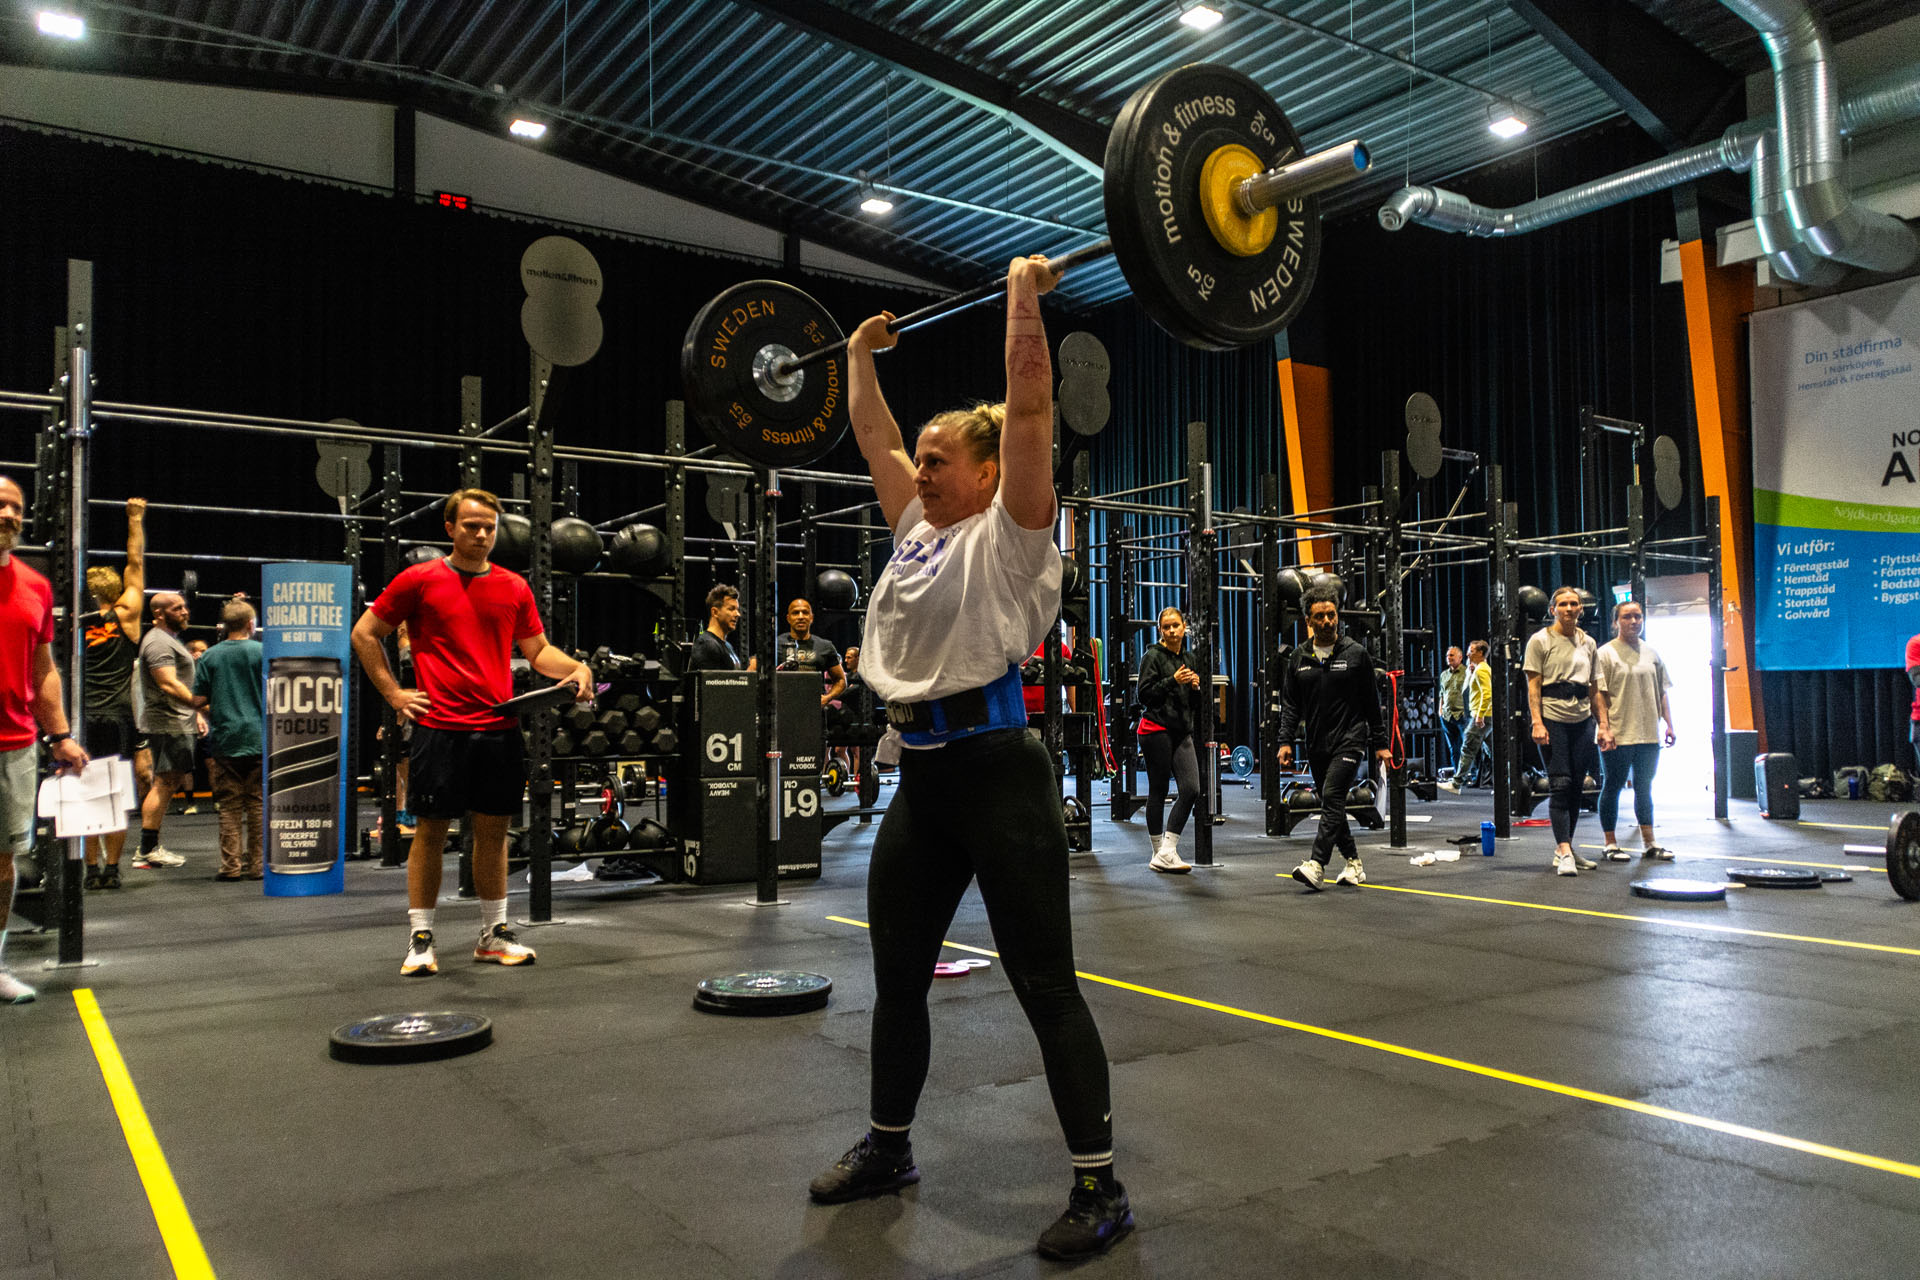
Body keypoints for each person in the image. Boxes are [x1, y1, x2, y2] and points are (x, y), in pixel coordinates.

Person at [808, 257, 1130, 1261]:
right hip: (924, 779)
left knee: (1045, 985)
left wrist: (1022, 294)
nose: (922, 469)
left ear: (988, 473)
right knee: (897, 976)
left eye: (941, 458)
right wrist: (858, 355)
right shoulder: (916, 528)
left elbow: (1029, 403)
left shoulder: (1015, 533)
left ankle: (1100, 1186)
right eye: (925, 458)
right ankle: (890, 1145)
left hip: (999, 775)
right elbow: (874, 434)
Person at [351, 488, 593, 977]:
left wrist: (576, 668)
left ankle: (493, 934)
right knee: (431, 832)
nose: (482, 535)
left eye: (489, 527)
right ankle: (421, 938)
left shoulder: (513, 586)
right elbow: (364, 633)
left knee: (494, 833)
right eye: (471, 526)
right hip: (440, 728)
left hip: (497, 727)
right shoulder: (419, 580)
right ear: (450, 528)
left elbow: (538, 651)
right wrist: (394, 694)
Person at [0, 475, 90, 1004]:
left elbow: (44, 670)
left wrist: (60, 735)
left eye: (16, 507)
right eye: (0, 505)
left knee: (2, 862)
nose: (9, 514)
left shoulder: (35, 586)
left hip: (12, 743)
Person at [1276, 586, 1390, 890]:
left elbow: (1371, 702)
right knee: (1332, 801)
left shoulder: (1355, 654)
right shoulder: (1299, 657)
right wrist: (1285, 741)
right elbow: (1291, 705)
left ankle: (1317, 864)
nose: (1327, 621)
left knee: (1332, 794)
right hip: (1317, 742)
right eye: (1320, 617)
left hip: (1351, 738)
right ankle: (1354, 863)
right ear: (1308, 621)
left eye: (1331, 615)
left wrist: (1380, 744)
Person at [81, 496, 149, 890]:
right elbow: (135, 564)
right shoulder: (127, 614)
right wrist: (134, 518)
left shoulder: (75, 621)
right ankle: (111, 869)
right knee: (115, 795)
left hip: (84, 717)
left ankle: (91, 869)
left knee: (88, 794)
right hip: (117, 718)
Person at [1525, 587, 1603, 877]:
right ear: (1553, 610)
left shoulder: (1589, 642)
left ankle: (1564, 849)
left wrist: (1604, 726)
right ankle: (1565, 849)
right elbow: (1533, 685)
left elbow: (1595, 688)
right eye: (1563, 604)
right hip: (1552, 718)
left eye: (1574, 604)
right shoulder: (1540, 640)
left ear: (1581, 609)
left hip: (1582, 720)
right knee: (1560, 783)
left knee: (1576, 786)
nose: (1569, 608)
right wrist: (1537, 722)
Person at [1593, 599, 1676, 861]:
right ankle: (1610, 843)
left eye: (1638, 616)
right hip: (1617, 732)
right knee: (1613, 785)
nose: (1634, 621)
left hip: (1648, 733)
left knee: (1644, 786)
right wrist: (1603, 727)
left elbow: (1661, 692)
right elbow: (1598, 694)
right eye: (1627, 617)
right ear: (1615, 622)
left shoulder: (1652, 653)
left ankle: (1649, 842)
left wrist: (1669, 724)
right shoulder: (1605, 654)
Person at [192, 599, 265, 880]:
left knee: (229, 806)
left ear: (224, 626)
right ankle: (257, 866)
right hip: (258, 736)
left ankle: (230, 867)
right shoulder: (263, 652)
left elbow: (198, 699)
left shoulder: (210, 656)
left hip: (225, 738)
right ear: (250, 624)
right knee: (257, 803)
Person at [1135, 605, 1203, 874]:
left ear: (1185, 627)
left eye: (1176, 625)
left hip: (1181, 731)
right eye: (1167, 627)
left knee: (1191, 789)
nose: (1172, 630)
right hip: (1155, 730)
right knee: (1159, 790)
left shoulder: (1189, 658)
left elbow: (1194, 704)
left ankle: (1167, 850)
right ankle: (1159, 852)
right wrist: (1173, 681)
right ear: (1160, 630)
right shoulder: (1152, 656)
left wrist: (1195, 688)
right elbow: (1144, 695)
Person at [134, 591, 198, 868]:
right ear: (159, 613)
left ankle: (149, 847)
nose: (184, 612)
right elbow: (168, 683)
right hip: (169, 722)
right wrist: (200, 705)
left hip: (176, 720)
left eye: (184, 607)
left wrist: (196, 712)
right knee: (164, 783)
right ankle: (147, 850)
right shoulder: (158, 641)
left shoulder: (167, 639)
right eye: (176, 608)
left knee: (167, 782)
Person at [1440, 640, 1493, 793]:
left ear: (1481, 653)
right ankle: (1508, 782)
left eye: (1472, 651)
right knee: (1493, 751)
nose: (1468, 654)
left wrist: (1480, 715)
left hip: (1481, 716)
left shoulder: (1482, 670)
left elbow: (1487, 694)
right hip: (1482, 715)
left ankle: (1456, 784)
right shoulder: (1478, 669)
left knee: (1467, 748)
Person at [775, 597, 846, 707]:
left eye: (805, 612)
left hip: (814, 709)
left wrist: (827, 698)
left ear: (811, 618)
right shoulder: (775, 644)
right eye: (795, 613)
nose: (801, 617)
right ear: (788, 618)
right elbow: (753, 672)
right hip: (782, 707)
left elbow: (841, 680)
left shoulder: (825, 646)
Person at [687, 584, 755, 672]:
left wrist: (751, 669)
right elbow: (715, 680)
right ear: (715, 612)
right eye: (731, 609)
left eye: (737, 610)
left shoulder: (727, 645)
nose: (737, 614)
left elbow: (733, 677)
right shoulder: (707, 645)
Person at [1437, 645, 1467, 777]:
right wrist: (1440, 710)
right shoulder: (1444, 675)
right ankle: (1458, 775)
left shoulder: (1467, 672)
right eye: (1447, 656)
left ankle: (1472, 775)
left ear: (1460, 657)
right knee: (1453, 748)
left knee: (1467, 747)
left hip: (1462, 715)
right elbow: (1442, 694)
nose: (1448, 658)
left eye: (1452, 655)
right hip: (1447, 716)